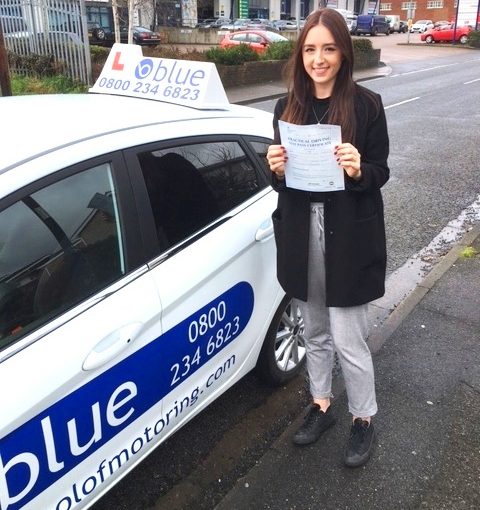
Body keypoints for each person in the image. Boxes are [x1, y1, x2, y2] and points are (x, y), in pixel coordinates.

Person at [266, 8, 389, 468]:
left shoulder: (367, 105)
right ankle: (321, 405)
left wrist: (359, 169)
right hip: (301, 231)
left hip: (348, 235)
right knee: (313, 331)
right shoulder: (286, 107)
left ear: (343, 53)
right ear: (301, 54)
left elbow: (381, 170)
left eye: (329, 49)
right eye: (311, 49)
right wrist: (274, 169)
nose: (319, 59)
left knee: (348, 337)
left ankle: (363, 418)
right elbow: (282, 181)